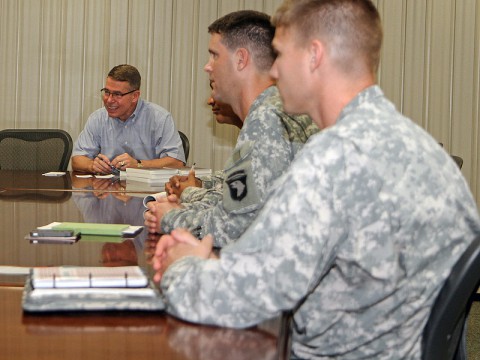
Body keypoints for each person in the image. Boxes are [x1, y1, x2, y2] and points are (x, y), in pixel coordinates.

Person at [151, 0, 480, 359]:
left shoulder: (333, 159)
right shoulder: (418, 145)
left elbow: (232, 299)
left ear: (314, 56)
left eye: (279, 54)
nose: (273, 72)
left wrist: (181, 264)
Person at [144, 10, 317, 247]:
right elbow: (235, 206)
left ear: (241, 59)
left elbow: (232, 228)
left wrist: (169, 217)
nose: (207, 67)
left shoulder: (265, 119)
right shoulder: (279, 107)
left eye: (215, 55)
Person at [71, 64, 185, 174]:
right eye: (107, 92)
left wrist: (138, 165)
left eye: (117, 94)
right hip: (106, 189)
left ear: (135, 96)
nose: (109, 100)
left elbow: (177, 162)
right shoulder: (97, 118)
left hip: (146, 190)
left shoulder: (160, 118)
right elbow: (77, 160)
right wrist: (92, 165)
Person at [164, 83, 242, 198]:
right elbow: (230, 178)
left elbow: (232, 203)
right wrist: (198, 183)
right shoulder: (249, 132)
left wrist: (188, 192)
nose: (210, 100)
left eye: (217, 90)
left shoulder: (265, 131)